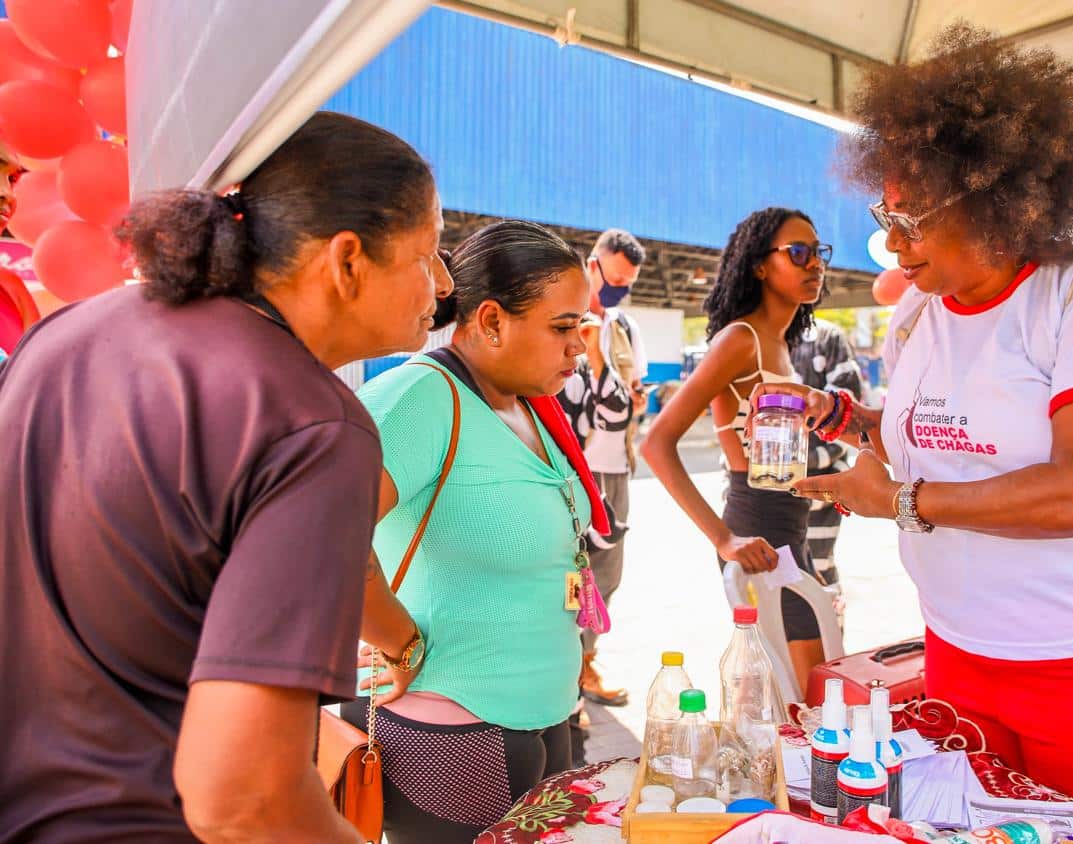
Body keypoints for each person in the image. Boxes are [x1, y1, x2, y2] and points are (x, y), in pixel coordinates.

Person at [775, 25, 1073, 834]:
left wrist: (898, 502)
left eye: (911, 216)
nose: (892, 244)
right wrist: (861, 426)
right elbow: (944, 442)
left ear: (996, 200)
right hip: (962, 654)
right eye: (884, 213)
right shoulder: (918, 314)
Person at [0, 112, 451, 842]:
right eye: (427, 255)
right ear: (347, 261)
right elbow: (243, 799)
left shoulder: (65, 334)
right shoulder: (312, 423)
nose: (442, 283)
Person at [352, 219, 610, 843]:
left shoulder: (527, 403)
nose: (579, 347)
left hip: (547, 714)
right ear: (491, 321)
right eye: (562, 327)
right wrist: (399, 641)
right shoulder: (418, 400)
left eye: (580, 325)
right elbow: (317, 541)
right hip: (451, 736)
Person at [641, 206, 830, 689]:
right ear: (760, 265)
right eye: (798, 252)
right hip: (758, 526)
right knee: (801, 691)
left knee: (794, 688)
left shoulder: (779, 343)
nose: (814, 263)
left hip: (790, 524)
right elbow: (657, 443)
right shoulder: (741, 339)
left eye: (818, 252)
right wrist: (723, 539)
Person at [569, 228, 648, 707]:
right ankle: (566, 674)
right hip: (575, 467)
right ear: (592, 264)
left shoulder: (625, 327)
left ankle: (585, 662)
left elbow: (634, 389)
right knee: (571, 575)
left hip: (616, 467)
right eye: (613, 281)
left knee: (607, 575)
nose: (617, 291)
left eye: (627, 285)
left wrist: (635, 399)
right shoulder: (565, 318)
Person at [791, 319, 864, 598]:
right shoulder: (746, 337)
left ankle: (829, 623)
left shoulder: (827, 338)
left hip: (819, 486)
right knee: (765, 586)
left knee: (817, 576)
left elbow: (848, 409)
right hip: (760, 491)